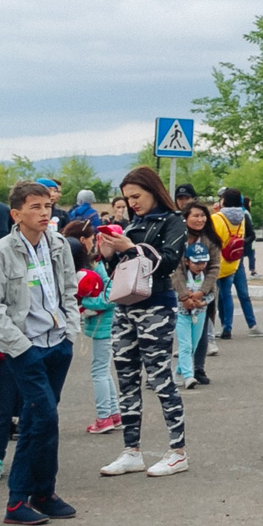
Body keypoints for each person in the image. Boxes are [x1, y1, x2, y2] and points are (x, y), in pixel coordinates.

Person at [0, 181, 79, 525]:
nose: (44, 213)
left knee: (42, 420)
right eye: (35, 207)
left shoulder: (59, 244)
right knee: (43, 417)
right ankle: (17, 500)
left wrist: (69, 333)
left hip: (57, 343)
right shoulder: (1, 251)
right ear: (16, 214)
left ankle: (43, 493)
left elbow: (69, 289)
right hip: (26, 348)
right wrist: (20, 349)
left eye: (47, 206)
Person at [94, 166, 191, 478]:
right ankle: (131, 451)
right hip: (124, 307)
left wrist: (130, 248)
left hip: (156, 308)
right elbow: (122, 270)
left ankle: (178, 451)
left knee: (160, 377)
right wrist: (109, 253)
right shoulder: (132, 223)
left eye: (136, 196)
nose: (132, 203)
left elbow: (168, 263)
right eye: (127, 198)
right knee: (126, 378)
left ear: (153, 190)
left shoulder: (174, 220)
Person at [73, 224, 119, 435]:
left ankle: (103, 417)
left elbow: (110, 298)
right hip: (104, 325)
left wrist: (84, 303)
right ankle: (114, 413)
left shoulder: (101, 266)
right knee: (103, 370)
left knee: (99, 371)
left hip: (105, 325)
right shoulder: (97, 264)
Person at [171, 202, 219, 387]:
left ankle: (196, 369)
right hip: (180, 298)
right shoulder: (177, 238)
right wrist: (184, 296)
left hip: (203, 296)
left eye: (203, 215)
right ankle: (186, 374)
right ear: (185, 218)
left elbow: (214, 268)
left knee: (200, 336)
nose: (200, 219)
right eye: (195, 216)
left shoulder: (211, 239)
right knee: (184, 340)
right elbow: (174, 269)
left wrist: (200, 293)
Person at [214, 188, 263, 338]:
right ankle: (250, 325)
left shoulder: (217, 218)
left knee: (223, 296)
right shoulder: (242, 216)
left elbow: (212, 239)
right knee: (240, 294)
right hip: (235, 259)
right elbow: (249, 235)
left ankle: (225, 326)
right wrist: (239, 246)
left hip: (220, 260)